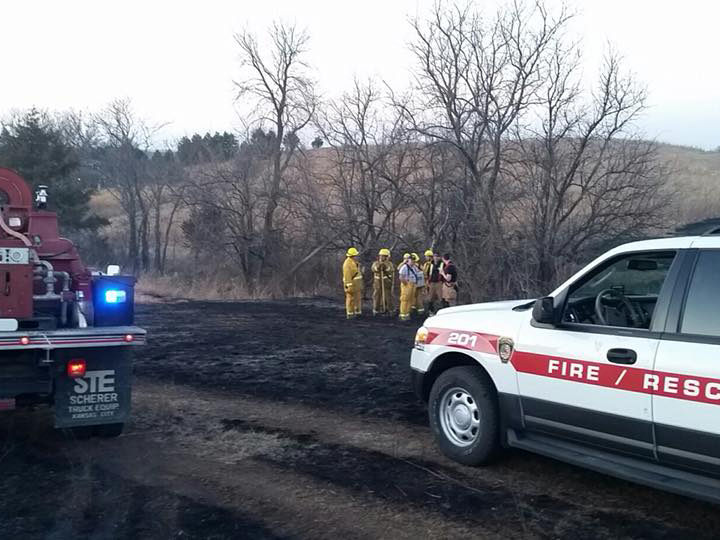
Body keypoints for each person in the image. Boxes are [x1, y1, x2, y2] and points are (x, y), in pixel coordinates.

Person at [371, 248, 394, 315]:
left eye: (384, 256)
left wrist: (385, 267)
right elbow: (373, 268)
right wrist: (378, 267)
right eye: (382, 256)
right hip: (377, 285)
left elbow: (390, 269)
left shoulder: (389, 264)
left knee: (388, 297)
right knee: (377, 297)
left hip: (387, 284)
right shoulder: (376, 263)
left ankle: (390, 310)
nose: (382, 257)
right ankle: (376, 310)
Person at [342, 247, 364, 318]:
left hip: (356, 285)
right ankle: (350, 314)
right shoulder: (347, 264)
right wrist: (349, 285)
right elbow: (347, 276)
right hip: (352, 285)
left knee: (357, 298)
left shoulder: (354, 262)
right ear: (353, 256)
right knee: (350, 299)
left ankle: (357, 312)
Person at [398, 253, 419, 321]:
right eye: (411, 260)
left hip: (413, 284)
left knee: (410, 299)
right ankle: (403, 314)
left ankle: (407, 313)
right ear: (408, 260)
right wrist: (405, 283)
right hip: (407, 285)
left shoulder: (414, 267)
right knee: (405, 299)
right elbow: (401, 277)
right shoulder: (404, 267)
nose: (412, 262)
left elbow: (418, 273)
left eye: (413, 260)